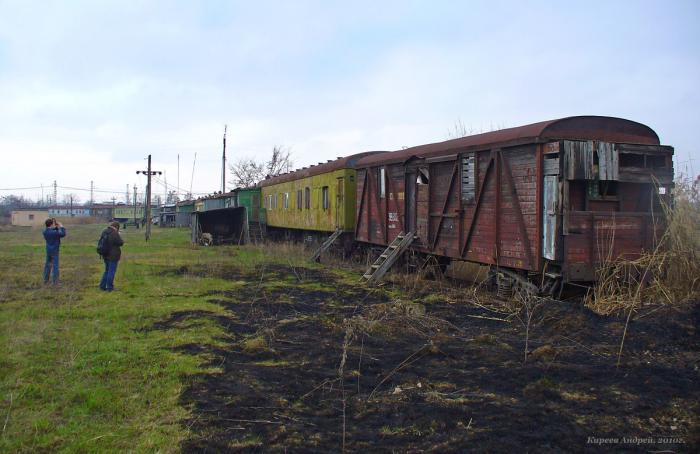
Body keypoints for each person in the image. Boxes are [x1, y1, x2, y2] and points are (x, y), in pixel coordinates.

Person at [99, 221, 124, 291]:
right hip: (113, 255)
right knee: (111, 271)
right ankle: (110, 287)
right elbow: (120, 243)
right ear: (116, 227)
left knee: (107, 270)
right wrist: (119, 235)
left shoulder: (105, 231)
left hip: (105, 254)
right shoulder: (114, 233)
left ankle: (102, 286)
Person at [43, 218, 66, 285]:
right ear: (51, 224)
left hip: (48, 251)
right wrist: (61, 226)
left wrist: (56, 227)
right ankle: (55, 282)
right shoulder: (54, 233)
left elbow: (52, 231)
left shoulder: (45, 232)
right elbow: (63, 234)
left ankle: (45, 280)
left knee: (48, 265)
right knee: (55, 266)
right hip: (55, 251)